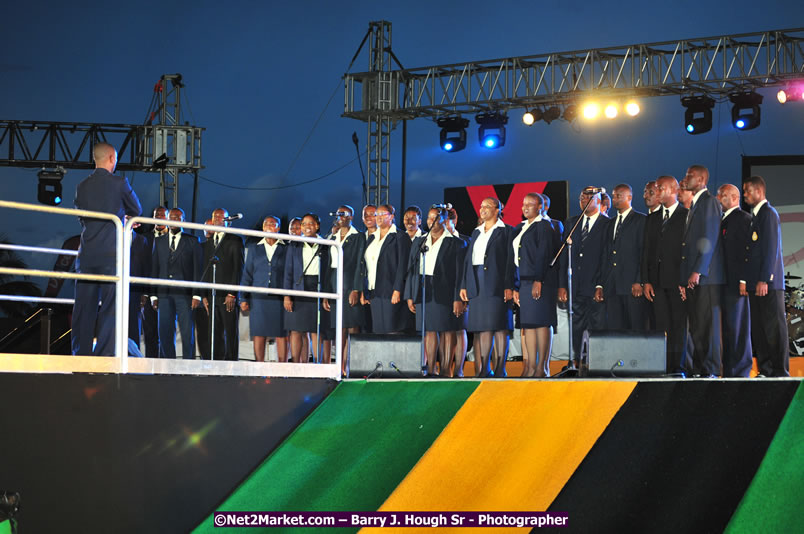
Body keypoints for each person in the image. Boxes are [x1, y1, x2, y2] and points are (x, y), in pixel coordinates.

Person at [71, 142, 141, 356]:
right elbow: (136, 209)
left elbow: (80, 214)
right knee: (111, 307)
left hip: (87, 254)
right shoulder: (120, 182)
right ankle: (104, 355)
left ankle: (80, 355)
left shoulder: (82, 185)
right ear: (112, 158)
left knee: (84, 308)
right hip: (111, 255)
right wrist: (125, 217)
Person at [405, 206, 465, 376]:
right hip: (424, 287)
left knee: (446, 330)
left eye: (436, 218)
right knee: (429, 329)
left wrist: (457, 298)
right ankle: (430, 368)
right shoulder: (420, 241)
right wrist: (410, 295)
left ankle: (446, 370)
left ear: (445, 220)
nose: (432, 221)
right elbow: (412, 269)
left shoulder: (456, 243)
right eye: (430, 218)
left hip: (446, 290)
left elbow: (460, 273)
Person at [460, 197, 515, 377]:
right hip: (476, 283)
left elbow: (510, 262)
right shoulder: (476, 232)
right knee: (482, 327)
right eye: (481, 206)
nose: (482, 209)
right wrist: (464, 284)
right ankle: (484, 368)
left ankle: (500, 368)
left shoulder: (506, 231)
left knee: (499, 326)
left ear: (497, 209)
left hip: (497, 284)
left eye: (487, 206)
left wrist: (509, 285)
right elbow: (467, 260)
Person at [742, 176, 789, 377]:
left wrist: (765, 279)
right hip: (756, 283)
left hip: (768, 284)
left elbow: (771, 249)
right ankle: (766, 368)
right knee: (760, 329)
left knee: (774, 328)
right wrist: (748, 281)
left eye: (747, 191)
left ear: (759, 191)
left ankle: (779, 370)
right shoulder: (755, 215)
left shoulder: (768, 214)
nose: (745, 195)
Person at [679, 165, 724, 377]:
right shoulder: (694, 206)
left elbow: (710, 238)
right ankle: (699, 368)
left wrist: (698, 271)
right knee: (696, 325)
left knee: (707, 326)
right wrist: (684, 278)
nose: (686, 178)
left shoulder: (710, 202)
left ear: (702, 179)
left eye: (690, 176)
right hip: (694, 278)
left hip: (706, 277)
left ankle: (711, 369)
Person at [642, 176, 689, 376]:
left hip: (677, 281)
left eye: (660, 188)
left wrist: (685, 281)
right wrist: (646, 280)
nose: (657, 191)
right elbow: (646, 252)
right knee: (661, 325)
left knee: (678, 326)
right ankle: (662, 366)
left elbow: (688, 251)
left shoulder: (686, 215)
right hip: (657, 281)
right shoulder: (652, 218)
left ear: (672, 189)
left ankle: (677, 367)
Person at [557, 188, 610, 364]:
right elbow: (565, 255)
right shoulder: (572, 222)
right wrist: (562, 284)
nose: (585, 200)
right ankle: (579, 362)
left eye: (589, 197)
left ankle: (597, 362)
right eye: (582, 197)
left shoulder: (607, 223)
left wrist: (600, 284)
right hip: (576, 285)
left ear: (598, 200)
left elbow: (606, 256)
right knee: (577, 326)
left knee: (597, 325)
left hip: (596, 285)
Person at [513, 193, 557, 377]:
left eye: (530, 204)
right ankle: (530, 366)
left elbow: (543, 255)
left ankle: (542, 367)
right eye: (523, 204)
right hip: (522, 281)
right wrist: (515, 286)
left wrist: (538, 279)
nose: (525, 207)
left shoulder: (544, 226)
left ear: (540, 207)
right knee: (528, 325)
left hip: (539, 281)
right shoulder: (521, 227)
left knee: (541, 323)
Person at [150, 208, 201, 359]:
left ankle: (188, 365)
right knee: (164, 330)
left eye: (177, 217)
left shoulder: (192, 241)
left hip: (184, 294)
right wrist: (153, 295)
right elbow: (154, 268)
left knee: (187, 332)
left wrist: (196, 294)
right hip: (164, 293)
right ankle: (168, 365)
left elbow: (197, 270)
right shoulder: (158, 242)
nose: (173, 220)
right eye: (171, 217)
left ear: (183, 220)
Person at [594, 184, 646, 330]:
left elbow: (643, 252)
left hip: (631, 286)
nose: (615, 199)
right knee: (615, 328)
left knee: (635, 327)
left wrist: (639, 281)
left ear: (629, 197)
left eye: (619, 196)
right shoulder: (610, 224)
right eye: (614, 195)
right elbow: (605, 255)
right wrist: (601, 284)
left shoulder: (640, 220)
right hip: (612, 286)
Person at [322, 205, 365, 376]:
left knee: (352, 326)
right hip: (334, 282)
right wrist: (326, 292)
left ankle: (349, 366)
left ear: (351, 217)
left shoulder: (357, 236)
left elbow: (359, 263)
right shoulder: (333, 236)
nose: (341, 217)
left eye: (345, 214)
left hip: (349, 282)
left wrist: (356, 288)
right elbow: (327, 265)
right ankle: (338, 365)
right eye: (339, 214)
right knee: (339, 327)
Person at [240, 216, 288, 362]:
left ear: (278, 228)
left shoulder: (286, 248)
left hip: (279, 298)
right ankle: (259, 366)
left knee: (281, 333)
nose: (269, 226)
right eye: (266, 224)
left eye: (273, 224)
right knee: (259, 332)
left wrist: (288, 296)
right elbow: (247, 274)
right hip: (258, 298)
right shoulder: (254, 248)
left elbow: (289, 273)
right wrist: (243, 297)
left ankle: (282, 368)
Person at [717, 184, 753, 377]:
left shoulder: (743, 219)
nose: (718, 198)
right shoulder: (721, 220)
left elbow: (748, 252)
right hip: (722, 283)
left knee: (738, 327)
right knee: (727, 329)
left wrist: (744, 279)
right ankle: (728, 369)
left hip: (737, 284)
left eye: (722, 195)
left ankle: (740, 370)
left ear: (734, 197)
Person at [284, 213, 330, 362]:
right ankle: (296, 364)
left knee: (316, 330)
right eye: (304, 224)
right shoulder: (294, 244)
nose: (306, 227)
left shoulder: (326, 245)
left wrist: (325, 295)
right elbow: (288, 271)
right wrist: (287, 295)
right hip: (298, 288)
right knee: (296, 329)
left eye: (310, 223)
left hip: (317, 287)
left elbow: (329, 273)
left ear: (317, 226)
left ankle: (318, 364)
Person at [201, 208, 245, 360]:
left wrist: (232, 293)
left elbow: (238, 268)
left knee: (230, 329)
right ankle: (216, 361)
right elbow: (205, 270)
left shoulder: (235, 240)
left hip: (228, 294)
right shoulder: (208, 243)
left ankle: (231, 361)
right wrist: (205, 295)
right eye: (215, 216)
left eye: (221, 216)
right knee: (214, 330)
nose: (218, 219)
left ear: (228, 220)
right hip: (213, 294)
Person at [361, 204, 411, 333]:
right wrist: (364, 289)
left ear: (392, 217)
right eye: (377, 214)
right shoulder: (372, 238)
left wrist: (397, 289)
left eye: (383, 214)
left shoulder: (400, 236)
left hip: (391, 289)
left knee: (391, 328)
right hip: (373, 290)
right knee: (377, 329)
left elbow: (403, 265)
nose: (379, 217)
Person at [445, 208, 469, 376]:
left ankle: (459, 370)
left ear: (453, 221)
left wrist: (462, 296)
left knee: (459, 329)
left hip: (460, 292)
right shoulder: (433, 241)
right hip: (441, 293)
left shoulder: (465, 241)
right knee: (444, 330)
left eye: (445, 221)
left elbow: (465, 271)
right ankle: (445, 369)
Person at [140, 206, 167, 357]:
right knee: (149, 332)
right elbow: (142, 266)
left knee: (165, 332)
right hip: (147, 291)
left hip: (167, 292)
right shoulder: (145, 238)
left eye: (163, 215)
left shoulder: (174, 239)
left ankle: (164, 367)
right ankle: (150, 367)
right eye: (157, 215)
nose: (160, 218)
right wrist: (144, 292)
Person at [194, 218, 214, 360]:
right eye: (205, 226)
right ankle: (205, 360)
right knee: (202, 331)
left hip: (217, 295)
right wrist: (203, 296)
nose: (208, 229)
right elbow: (198, 273)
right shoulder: (199, 247)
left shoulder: (222, 246)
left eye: (211, 226)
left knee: (217, 332)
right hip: (202, 296)